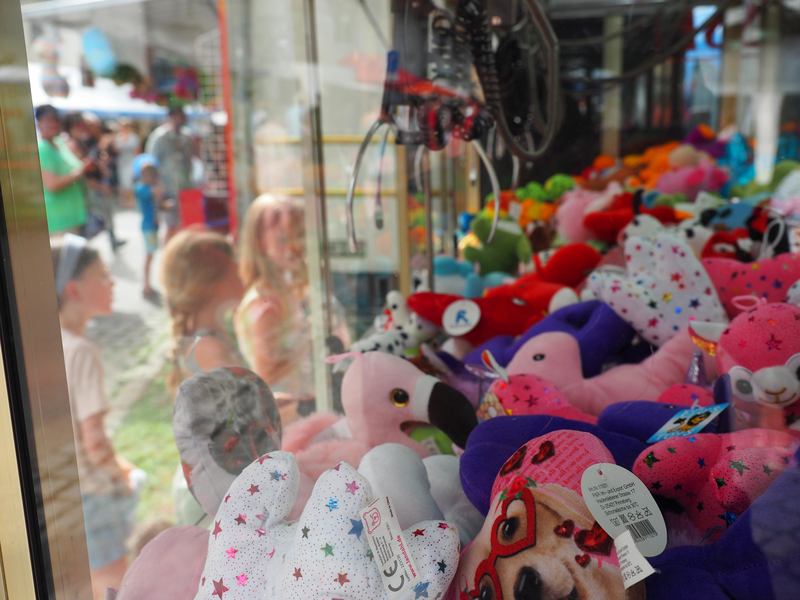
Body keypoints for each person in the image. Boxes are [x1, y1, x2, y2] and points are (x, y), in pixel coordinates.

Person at [52, 234, 142, 599]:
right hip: (93, 497)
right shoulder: (82, 351)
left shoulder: (50, 343)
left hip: (61, 493)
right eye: (103, 275)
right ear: (74, 289)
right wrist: (121, 475)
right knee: (113, 583)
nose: (113, 282)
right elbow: (95, 441)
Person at [159, 230, 246, 526]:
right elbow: (241, 419)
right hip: (217, 495)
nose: (243, 272)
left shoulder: (210, 339)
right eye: (235, 266)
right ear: (215, 285)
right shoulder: (208, 350)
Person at [234, 195, 315, 420]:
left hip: (300, 406)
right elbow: (267, 373)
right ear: (259, 242)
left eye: (299, 237)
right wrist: (311, 338)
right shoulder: (265, 304)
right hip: (285, 415)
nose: (294, 248)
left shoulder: (285, 293)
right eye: (282, 239)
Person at [35, 105, 90, 235]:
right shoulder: (42, 148)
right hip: (59, 220)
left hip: (73, 215)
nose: (52, 124)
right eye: (47, 120)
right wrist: (80, 171)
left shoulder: (59, 142)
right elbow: (52, 185)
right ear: (38, 123)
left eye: (55, 120)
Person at [146, 107, 196, 241]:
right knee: (170, 225)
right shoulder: (160, 137)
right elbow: (152, 163)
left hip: (184, 187)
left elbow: (191, 159)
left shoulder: (186, 136)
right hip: (167, 188)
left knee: (185, 224)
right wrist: (157, 188)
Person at [133, 156, 166, 297]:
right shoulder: (141, 188)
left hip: (153, 226)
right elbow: (157, 192)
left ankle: (147, 284)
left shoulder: (148, 187)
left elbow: (160, 202)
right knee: (149, 256)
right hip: (148, 227)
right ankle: (146, 285)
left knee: (151, 255)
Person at [114, 118, 141, 209]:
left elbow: (137, 150)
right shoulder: (118, 137)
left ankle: (131, 201)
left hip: (131, 161)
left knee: (129, 182)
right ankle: (124, 201)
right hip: (122, 162)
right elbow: (115, 150)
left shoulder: (134, 137)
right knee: (123, 183)